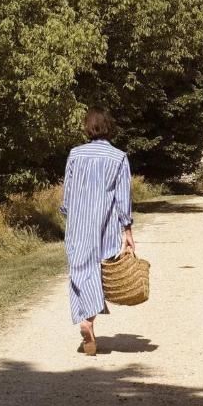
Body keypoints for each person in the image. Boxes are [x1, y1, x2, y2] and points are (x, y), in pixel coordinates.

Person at [59, 106, 135, 355]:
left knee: (80, 271)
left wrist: (68, 214)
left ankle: (85, 320)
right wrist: (127, 230)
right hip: (105, 225)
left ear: (88, 127)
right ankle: (88, 321)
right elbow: (123, 198)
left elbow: (67, 193)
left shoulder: (75, 154)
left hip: (78, 224)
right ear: (109, 126)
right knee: (98, 271)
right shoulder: (118, 157)